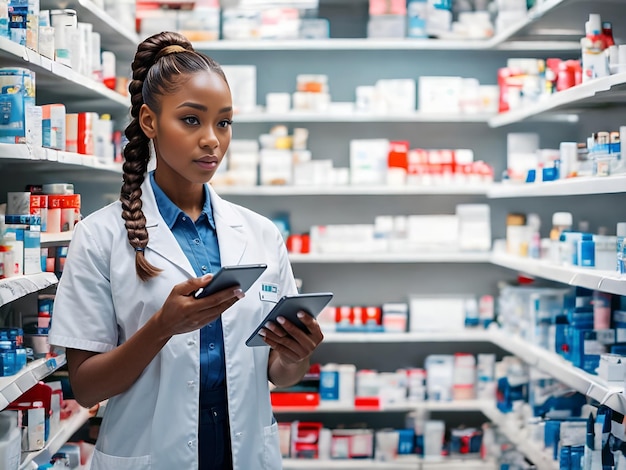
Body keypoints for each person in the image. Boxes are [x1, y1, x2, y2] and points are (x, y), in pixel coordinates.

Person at [48, 31, 324, 470]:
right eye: (192, 120)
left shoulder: (260, 233)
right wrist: (162, 327)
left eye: (224, 122)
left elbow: (279, 374)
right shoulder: (99, 235)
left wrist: (298, 353)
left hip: (244, 453)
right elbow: (86, 387)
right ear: (150, 121)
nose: (213, 139)